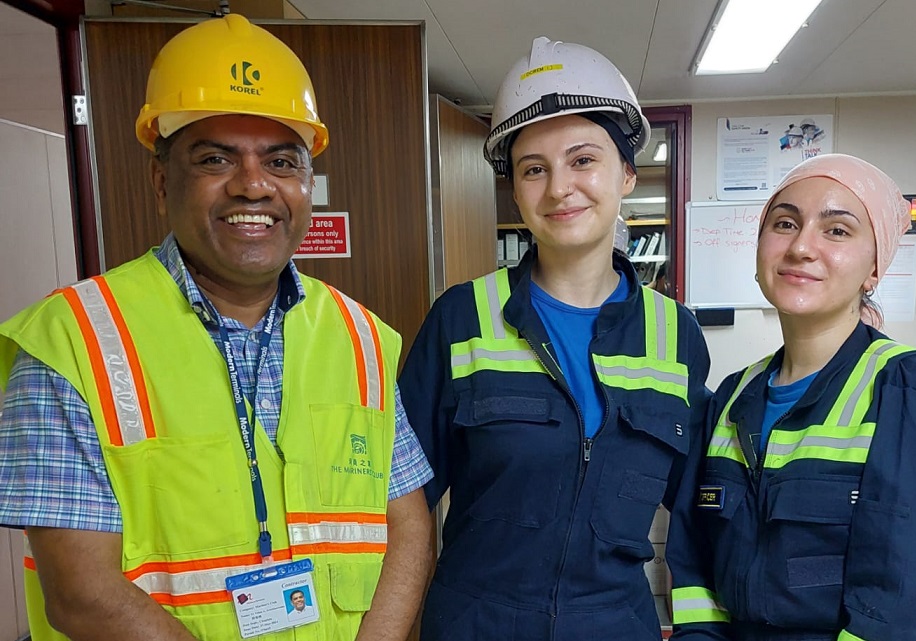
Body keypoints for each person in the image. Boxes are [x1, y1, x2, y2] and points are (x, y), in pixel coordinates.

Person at [0, 14, 434, 641]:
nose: (253, 185)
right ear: (160, 182)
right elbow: (80, 591)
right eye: (215, 158)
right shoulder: (71, 340)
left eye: (282, 161)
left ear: (308, 186)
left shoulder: (360, 335)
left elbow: (408, 525)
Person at [399, 36, 712, 641]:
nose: (559, 187)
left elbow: (698, 510)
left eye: (583, 160)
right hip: (476, 624)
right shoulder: (462, 319)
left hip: (616, 625)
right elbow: (400, 505)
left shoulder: (676, 336)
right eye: (533, 168)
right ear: (515, 190)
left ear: (625, 174)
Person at [667, 154, 916, 640]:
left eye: (837, 231)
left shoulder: (912, 393)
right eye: (784, 223)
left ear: (874, 268)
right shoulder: (731, 399)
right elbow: (695, 563)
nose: (801, 246)